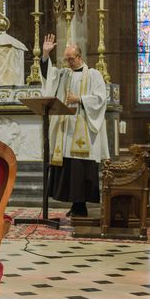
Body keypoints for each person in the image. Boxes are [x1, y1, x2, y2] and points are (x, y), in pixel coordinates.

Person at [40, 34, 109, 217]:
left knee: (81, 169)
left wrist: (79, 99)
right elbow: (49, 77)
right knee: (70, 168)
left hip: (84, 128)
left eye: (71, 59)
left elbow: (101, 98)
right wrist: (46, 55)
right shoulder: (64, 74)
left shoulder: (94, 74)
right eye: (66, 59)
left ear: (79, 57)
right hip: (67, 128)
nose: (68, 62)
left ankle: (82, 206)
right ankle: (75, 205)